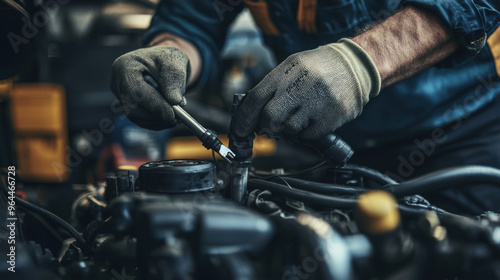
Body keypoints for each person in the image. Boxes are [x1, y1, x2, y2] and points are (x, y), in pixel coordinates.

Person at [110, 0, 500, 215]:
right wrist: (170, 54)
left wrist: (362, 63)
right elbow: (193, 19)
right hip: (336, 155)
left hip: (466, 135)